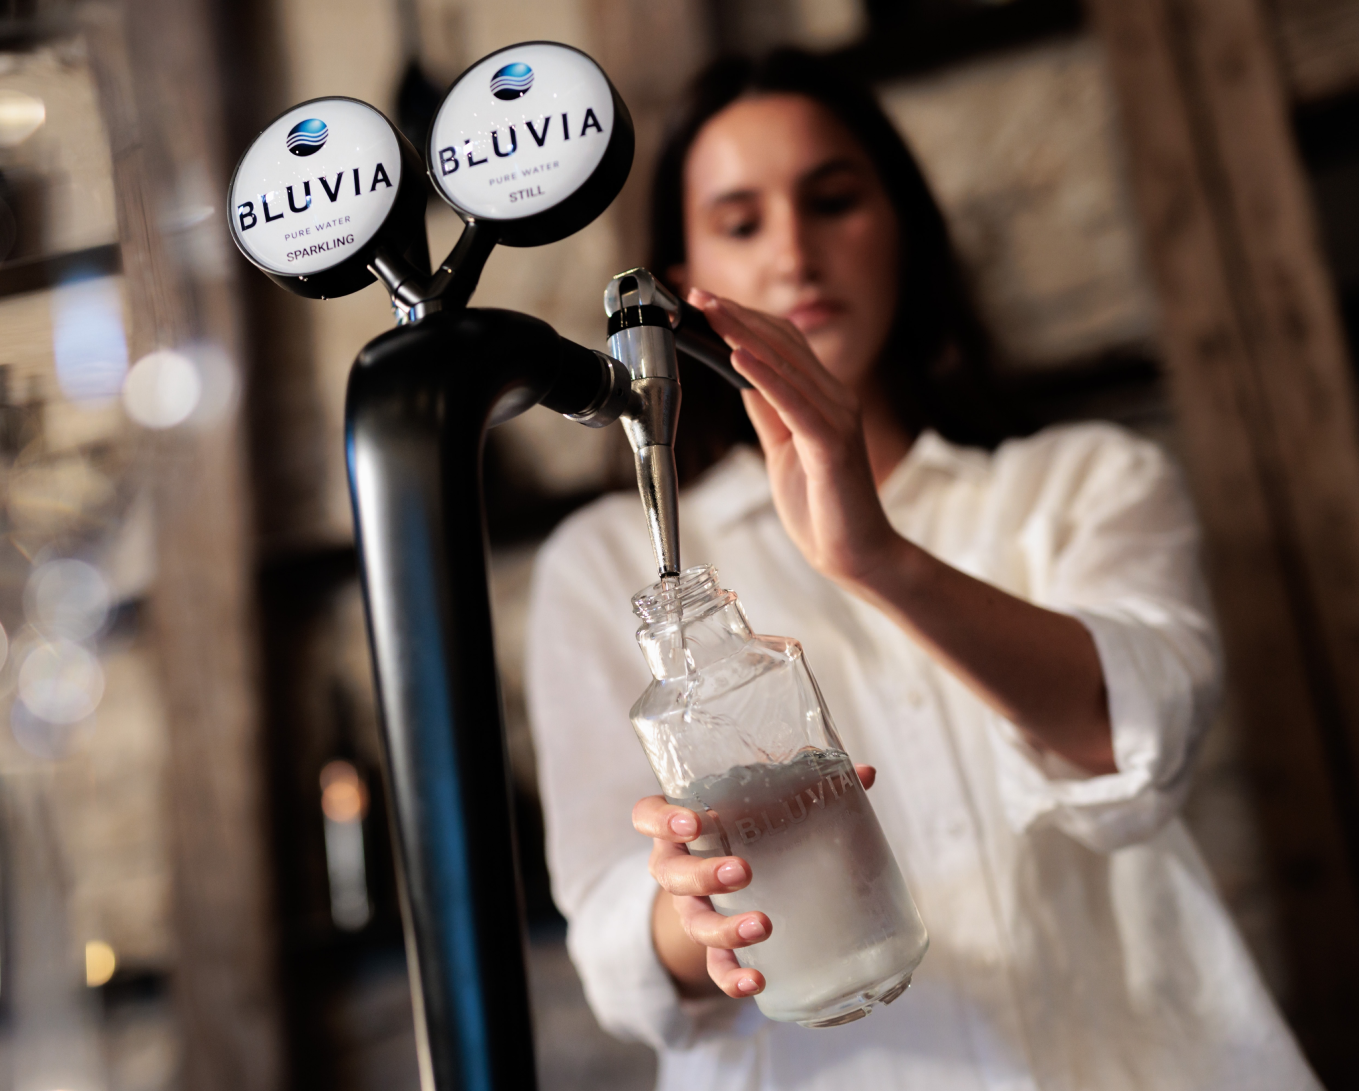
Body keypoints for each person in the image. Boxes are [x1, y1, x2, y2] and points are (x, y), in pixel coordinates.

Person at [525, 49, 1321, 1090]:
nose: (796, 254)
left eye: (834, 200)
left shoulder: (1084, 481)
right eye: (741, 221)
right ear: (683, 286)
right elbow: (613, 942)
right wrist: (693, 906)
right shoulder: (605, 562)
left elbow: (1132, 735)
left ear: (902, 225)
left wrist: (875, 559)